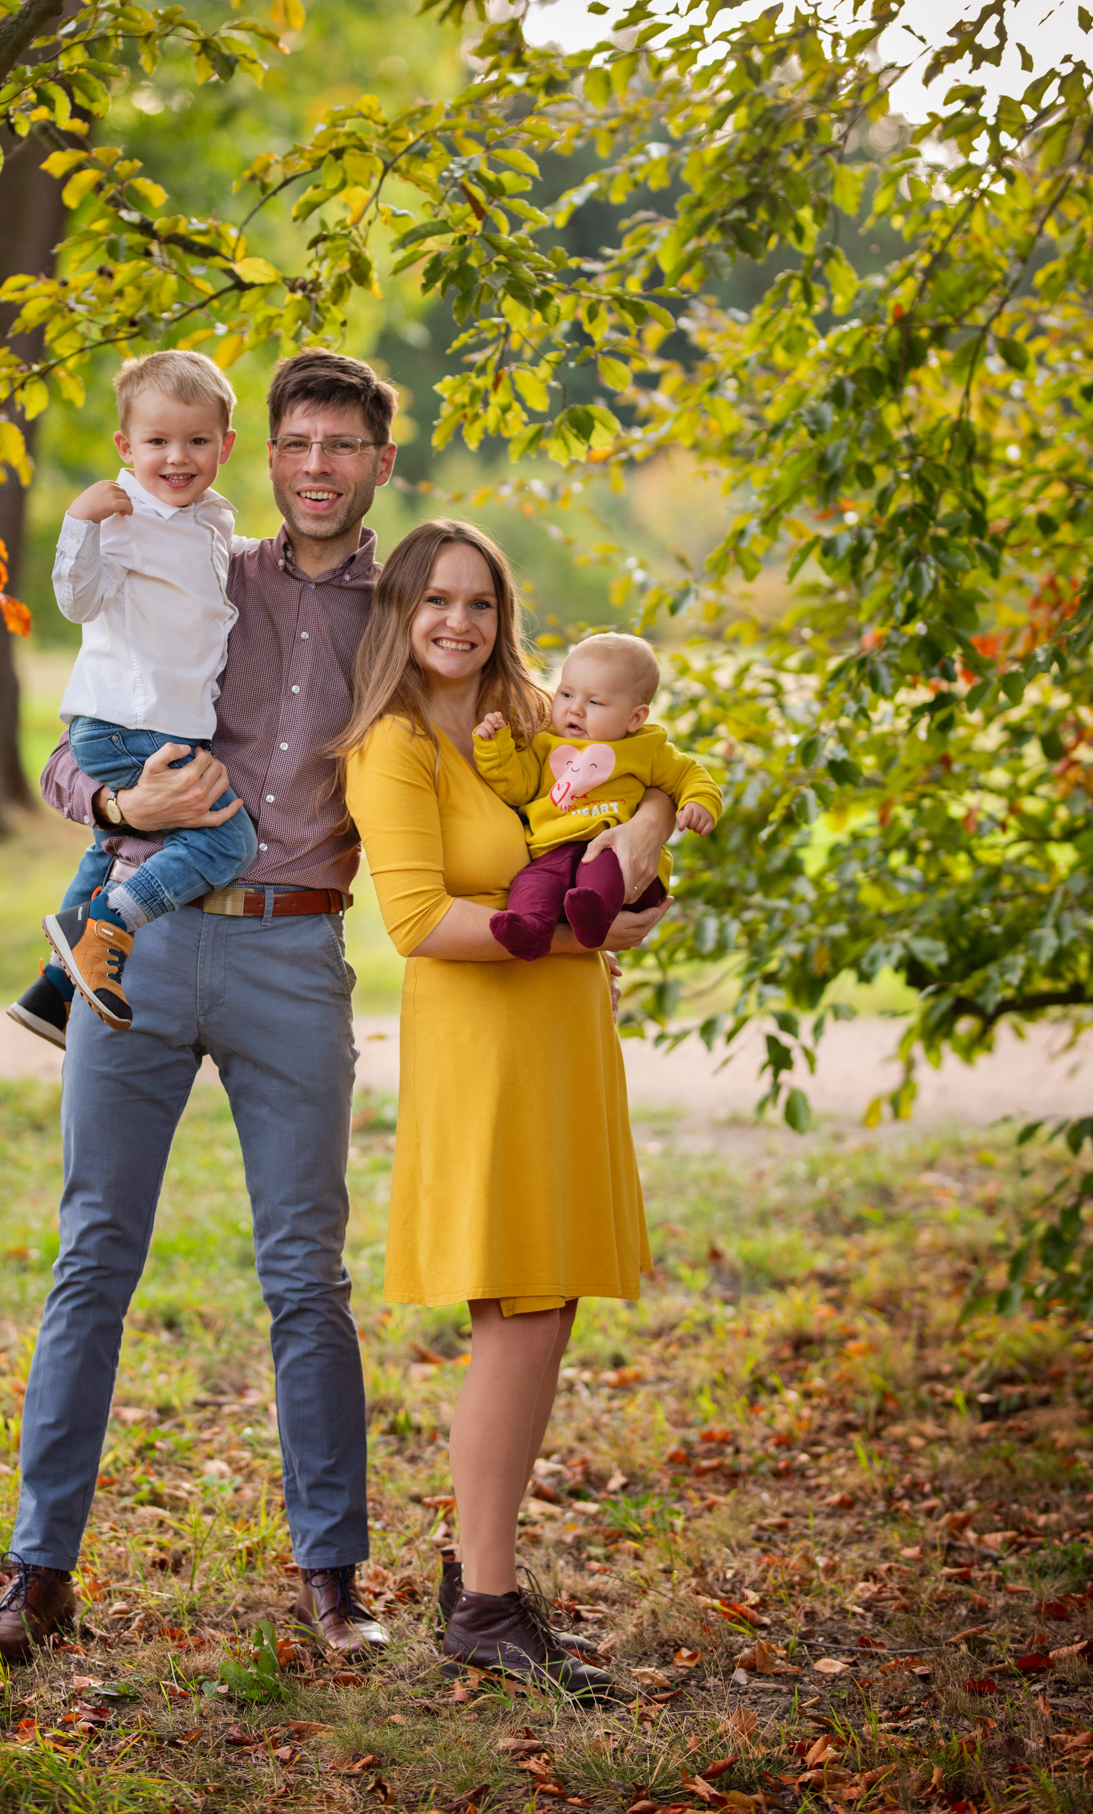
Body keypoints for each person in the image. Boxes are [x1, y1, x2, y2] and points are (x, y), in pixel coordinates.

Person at [0, 355, 672, 1669]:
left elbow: (562, 746)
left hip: (296, 955)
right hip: (147, 943)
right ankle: (37, 1573)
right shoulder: (200, 572)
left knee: (306, 1275)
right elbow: (73, 744)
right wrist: (118, 804)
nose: (316, 467)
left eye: (342, 446)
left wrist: (633, 848)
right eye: (296, 442)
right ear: (265, 454)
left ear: (378, 464)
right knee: (94, 1255)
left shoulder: (406, 617)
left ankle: (333, 1581)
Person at [340, 520, 672, 1699]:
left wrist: (643, 847)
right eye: (436, 599)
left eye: (480, 601)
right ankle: (485, 1600)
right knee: (520, 1301)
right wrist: (586, 923)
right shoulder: (389, 744)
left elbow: (642, 785)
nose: (459, 621)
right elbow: (419, 920)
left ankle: (476, 1573)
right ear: (399, 610)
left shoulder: (537, 715)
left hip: (566, 1028)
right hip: (482, 1037)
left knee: (549, 1295)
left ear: (504, 615)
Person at [8, 350, 257, 1043]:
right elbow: (77, 599)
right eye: (157, 441)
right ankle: (108, 925)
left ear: (224, 446)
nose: (177, 457)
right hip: (128, 722)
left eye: (197, 440)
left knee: (112, 846)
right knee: (227, 841)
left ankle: (53, 992)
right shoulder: (122, 517)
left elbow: (212, 572)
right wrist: (79, 522)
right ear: (126, 446)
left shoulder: (209, 519)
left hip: (158, 722)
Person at [473, 631, 720, 961]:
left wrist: (699, 802)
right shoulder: (543, 743)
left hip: (617, 852)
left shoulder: (647, 748)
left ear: (635, 718)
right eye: (566, 694)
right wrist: (495, 748)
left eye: (595, 702)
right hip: (553, 851)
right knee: (532, 883)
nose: (575, 709)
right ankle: (529, 929)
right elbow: (516, 788)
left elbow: (690, 774)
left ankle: (594, 913)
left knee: (599, 873)